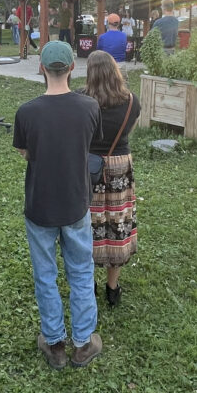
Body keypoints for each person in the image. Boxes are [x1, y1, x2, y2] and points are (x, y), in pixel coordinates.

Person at [13, 41, 104, 370]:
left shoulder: (26, 111)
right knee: (81, 272)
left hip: (40, 204)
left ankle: (54, 343)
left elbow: (25, 153)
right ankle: (83, 343)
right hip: (76, 202)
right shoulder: (89, 107)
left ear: (41, 67)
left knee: (45, 275)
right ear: (71, 68)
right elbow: (88, 144)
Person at [81, 51, 140, 306]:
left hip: (88, 166)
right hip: (119, 167)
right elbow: (129, 130)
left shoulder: (80, 99)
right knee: (118, 223)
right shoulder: (130, 101)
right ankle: (112, 287)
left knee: (88, 225)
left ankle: (89, 283)